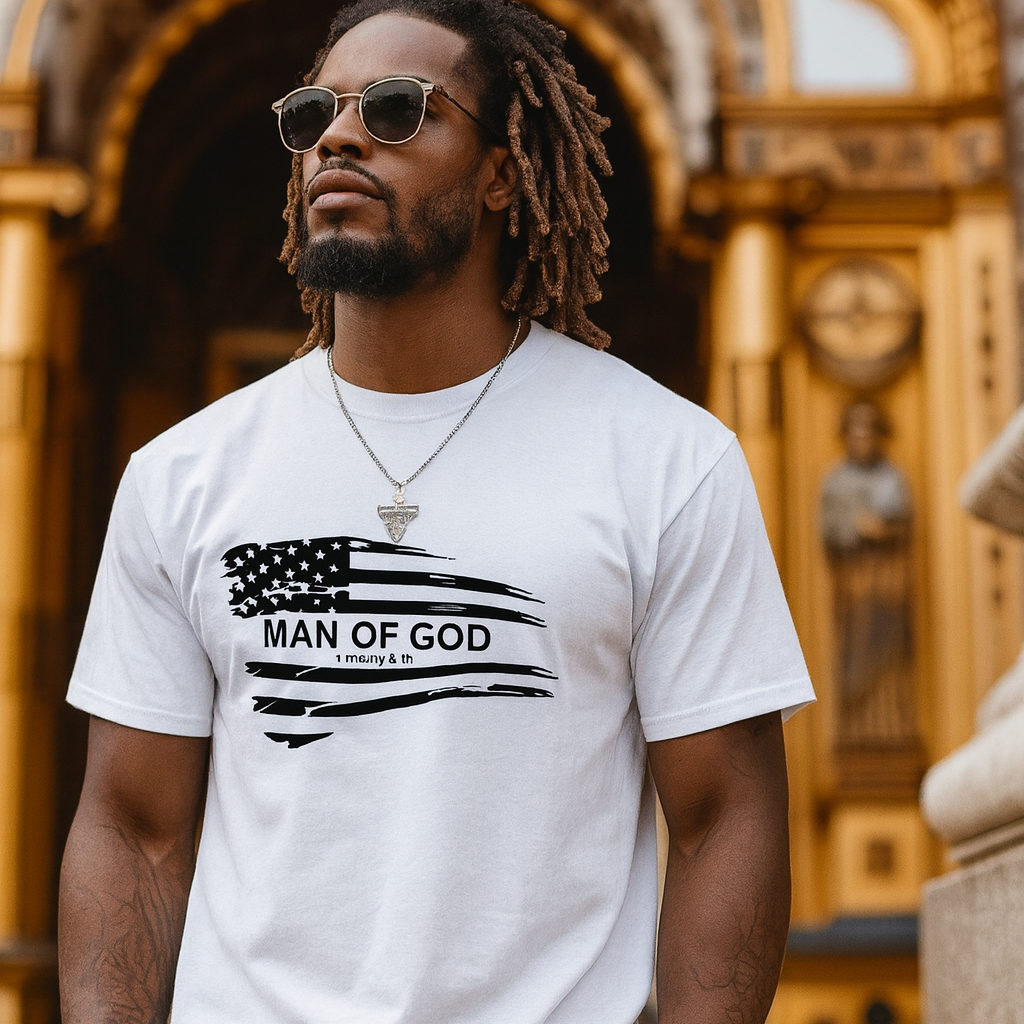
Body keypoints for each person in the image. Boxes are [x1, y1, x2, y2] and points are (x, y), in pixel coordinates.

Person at [58, 2, 815, 1022]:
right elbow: (130, 825)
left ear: (502, 172)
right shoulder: (184, 475)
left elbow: (723, 816)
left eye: (399, 110)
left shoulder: (664, 459)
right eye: (313, 112)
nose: (338, 133)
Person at [820, 401, 916, 746]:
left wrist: (883, 530)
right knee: (856, 657)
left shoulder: (892, 478)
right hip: (853, 587)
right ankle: (856, 728)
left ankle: (893, 732)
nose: (862, 437)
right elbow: (830, 528)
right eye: (855, 430)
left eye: (869, 430)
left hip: (887, 586)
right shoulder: (835, 481)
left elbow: (898, 523)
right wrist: (858, 528)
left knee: (890, 660)